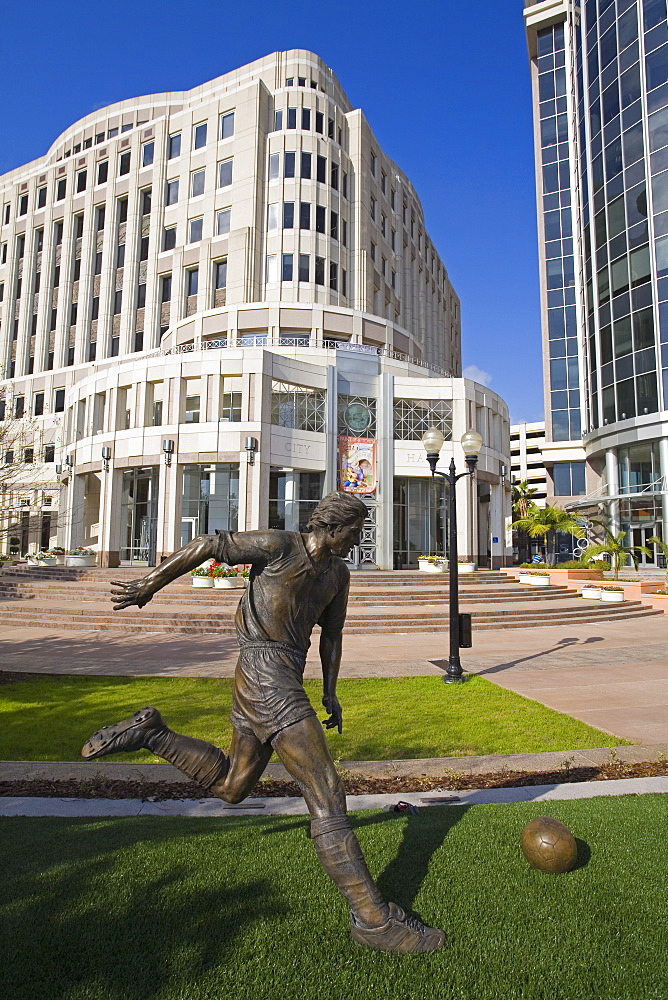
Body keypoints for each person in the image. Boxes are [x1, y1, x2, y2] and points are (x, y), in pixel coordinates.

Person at [81, 491, 444, 954]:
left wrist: (330, 690)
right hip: (265, 673)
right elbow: (211, 545)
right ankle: (373, 920)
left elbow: (331, 635)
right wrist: (149, 583)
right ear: (332, 527)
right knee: (325, 789)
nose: (359, 539)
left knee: (234, 785)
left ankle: (152, 732)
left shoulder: (339, 574)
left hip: (275, 675)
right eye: (355, 530)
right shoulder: (280, 546)